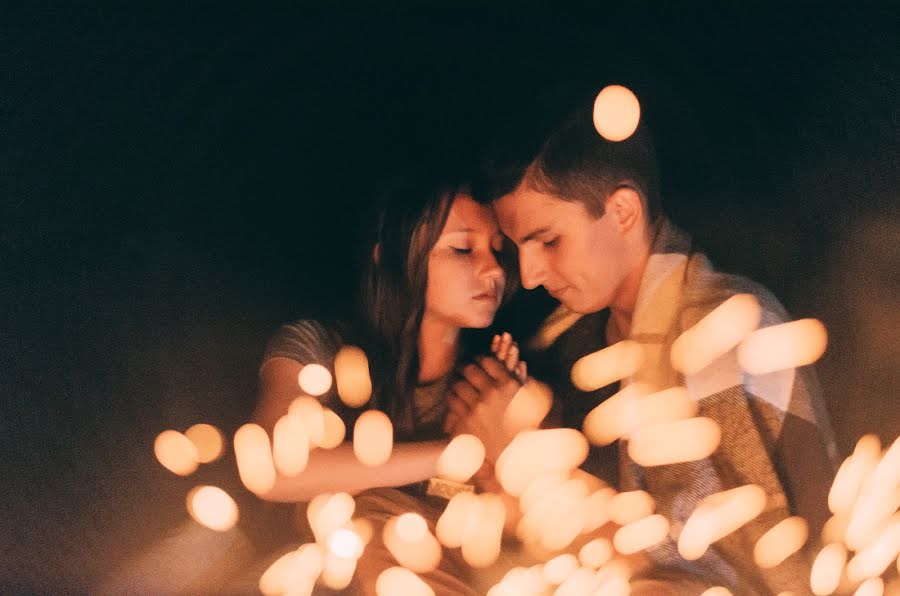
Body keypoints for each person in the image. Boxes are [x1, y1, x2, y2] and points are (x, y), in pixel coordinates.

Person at [454, 95, 840, 594]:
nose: (527, 276)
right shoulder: (589, 338)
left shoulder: (718, 332)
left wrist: (529, 461)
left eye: (548, 241)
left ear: (623, 211)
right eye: (518, 248)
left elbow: (729, 571)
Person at [252, 172, 525, 595]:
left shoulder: (492, 379)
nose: (492, 269)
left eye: (496, 249)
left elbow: (522, 523)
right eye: (461, 248)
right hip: (335, 577)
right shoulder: (320, 350)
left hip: (471, 575)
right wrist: (458, 453)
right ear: (390, 256)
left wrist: (509, 450)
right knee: (379, 514)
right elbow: (273, 467)